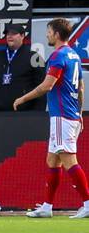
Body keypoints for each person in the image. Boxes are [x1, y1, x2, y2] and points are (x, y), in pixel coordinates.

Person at [13, 18, 89, 218]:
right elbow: (81, 87)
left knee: (69, 160)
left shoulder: (58, 56)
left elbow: (47, 86)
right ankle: (47, 207)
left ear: (56, 34)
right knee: (52, 160)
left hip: (62, 116)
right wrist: (80, 113)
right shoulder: (74, 55)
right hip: (70, 115)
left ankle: (88, 203)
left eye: (48, 31)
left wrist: (23, 98)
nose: (46, 35)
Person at [0, 24, 44, 113]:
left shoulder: (35, 57)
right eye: (7, 33)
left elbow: (42, 86)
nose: (9, 36)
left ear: (22, 36)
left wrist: (38, 113)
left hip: (24, 113)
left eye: (13, 33)